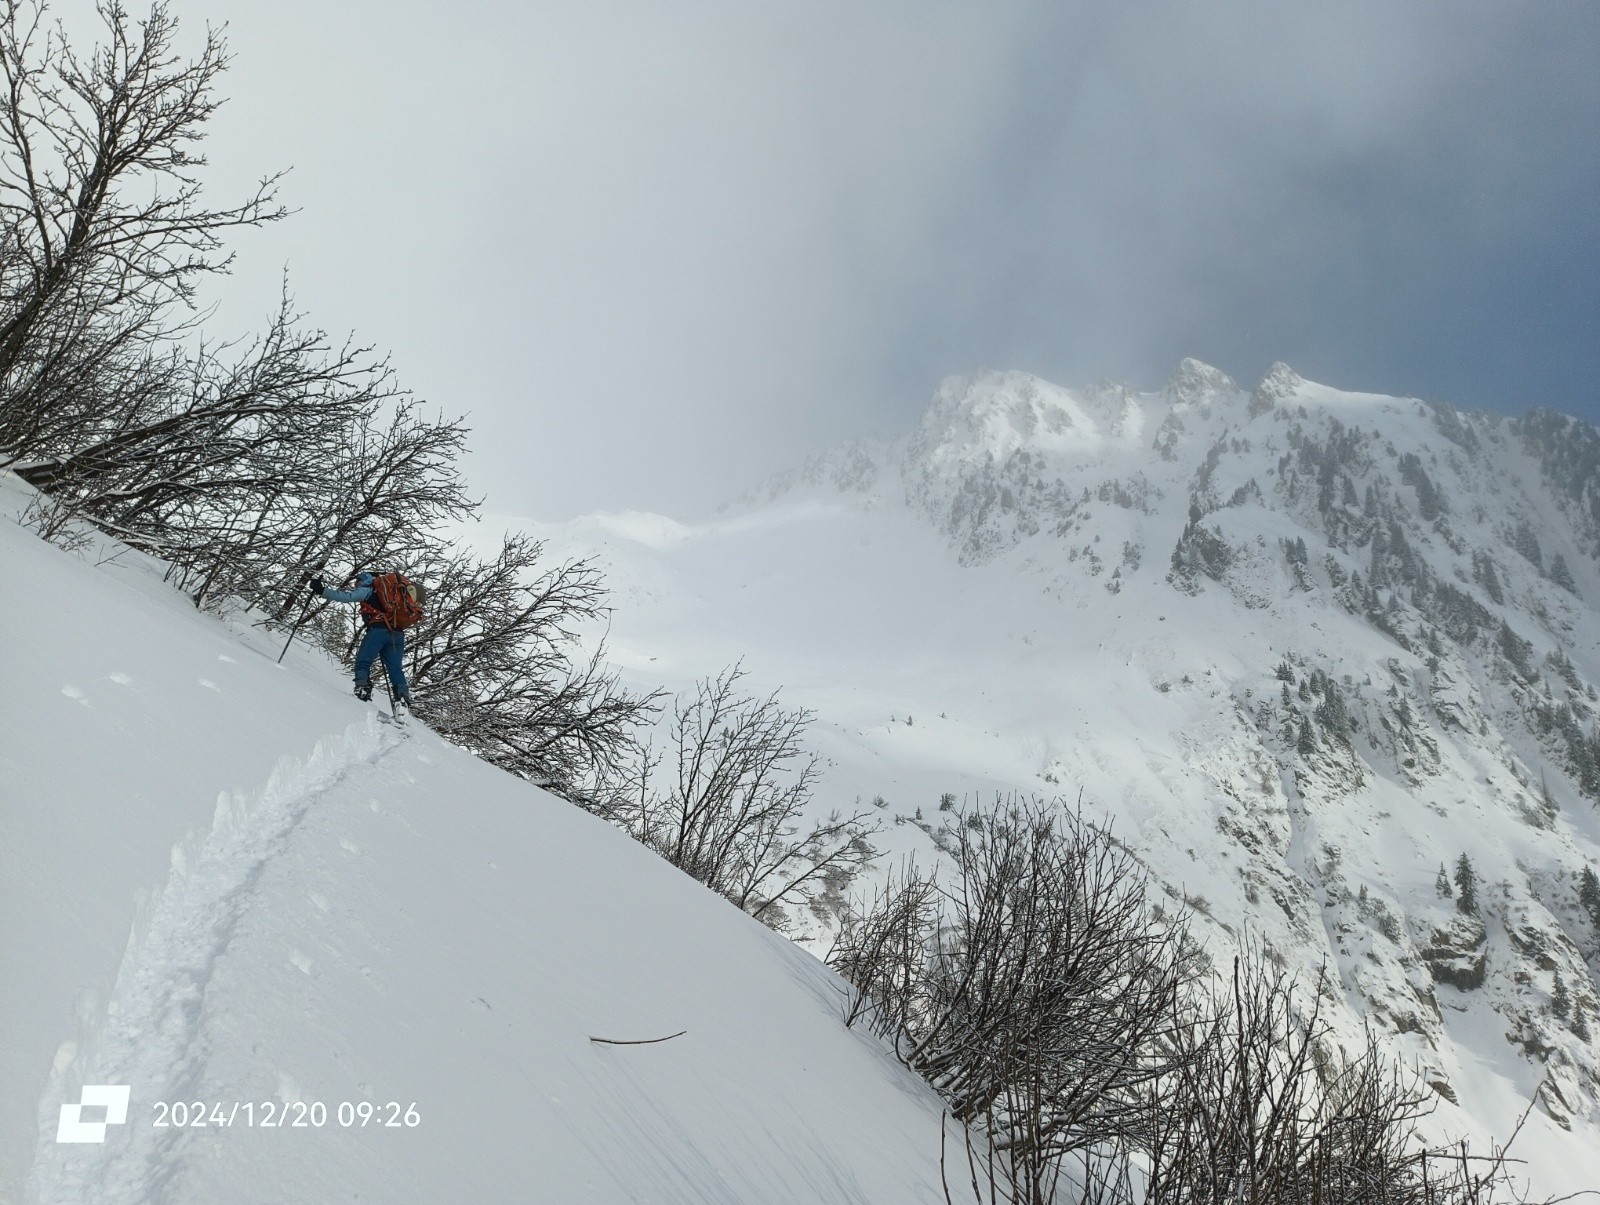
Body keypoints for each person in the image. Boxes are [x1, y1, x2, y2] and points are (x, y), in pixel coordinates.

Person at [309, 572, 412, 707]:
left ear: (362, 580)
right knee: (395, 668)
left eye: (356, 583)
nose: (355, 586)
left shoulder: (368, 589)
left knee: (363, 662)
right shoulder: (391, 594)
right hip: (397, 634)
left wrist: (321, 590)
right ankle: (402, 700)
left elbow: (346, 597)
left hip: (378, 632)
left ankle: (362, 690)